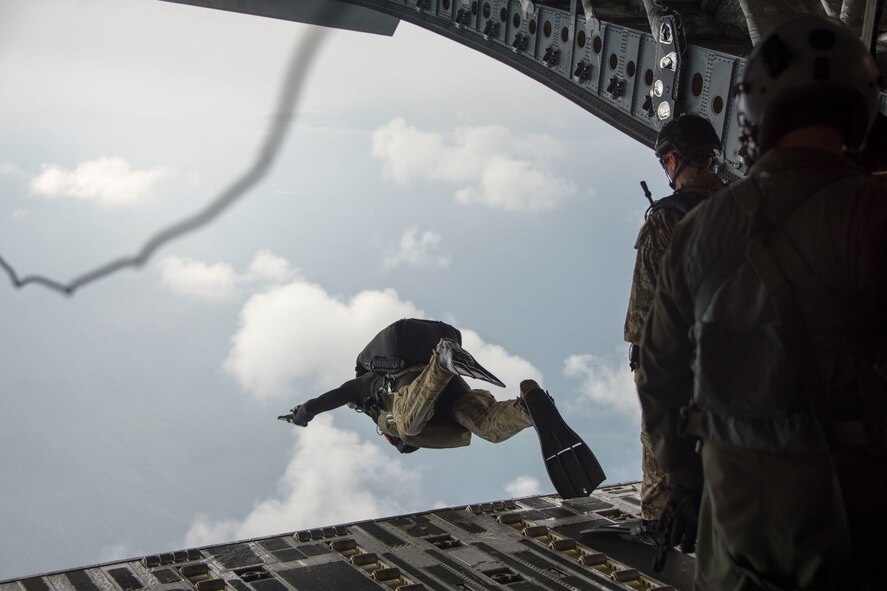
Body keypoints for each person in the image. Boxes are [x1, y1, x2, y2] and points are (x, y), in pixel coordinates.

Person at [637, 15, 886, 590]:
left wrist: (685, 485)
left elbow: (658, 377)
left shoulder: (695, 232)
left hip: (740, 517)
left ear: (753, 113)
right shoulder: (875, 214)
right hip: (863, 512)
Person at [625, 113, 724, 524]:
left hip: (683, 353)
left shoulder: (667, 217)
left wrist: (641, 356)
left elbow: (646, 311)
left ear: (673, 160)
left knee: (660, 437)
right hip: (748, 353)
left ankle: (657, 522)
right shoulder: (746, 203)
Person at [280, 319, 534, 453]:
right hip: (453, 391)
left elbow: (328, 398)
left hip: (420, 379)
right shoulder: (413, 418)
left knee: (406, 425)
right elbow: (408, 446)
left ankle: (441, 363)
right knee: (487, 426)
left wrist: (301, 414)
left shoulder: (369, 385)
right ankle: (525, 410)